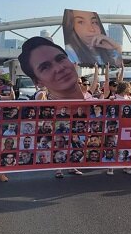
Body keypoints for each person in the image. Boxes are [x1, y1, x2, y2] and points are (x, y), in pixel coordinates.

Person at [18, 36, 84, 178]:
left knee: (73, 143)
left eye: (60, 58)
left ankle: (73, 166)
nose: (59, 68)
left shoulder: (90, 98)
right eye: (45, 67)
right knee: (59, 144)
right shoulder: (46, 102)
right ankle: (59, 168)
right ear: (38, 81)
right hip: (59, 127)